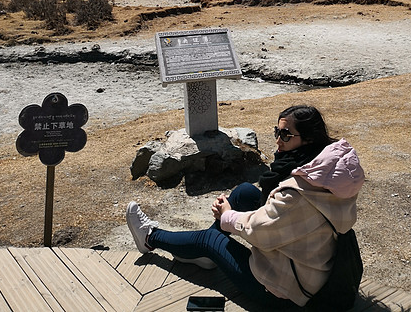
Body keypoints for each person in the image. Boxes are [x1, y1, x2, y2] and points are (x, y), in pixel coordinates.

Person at [126, 105, 365, 309]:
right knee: (245, 192)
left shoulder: (297, 193)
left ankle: (150, 237)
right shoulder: (328, 173)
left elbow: (260, 234)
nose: (277, 140)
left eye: (285, 135)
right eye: (276, 131)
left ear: (308, 139)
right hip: (314, 264)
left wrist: (227, 216)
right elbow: (280, 215)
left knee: (211, 239)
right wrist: (230, 212)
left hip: (290, 292)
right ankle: (205, 256)